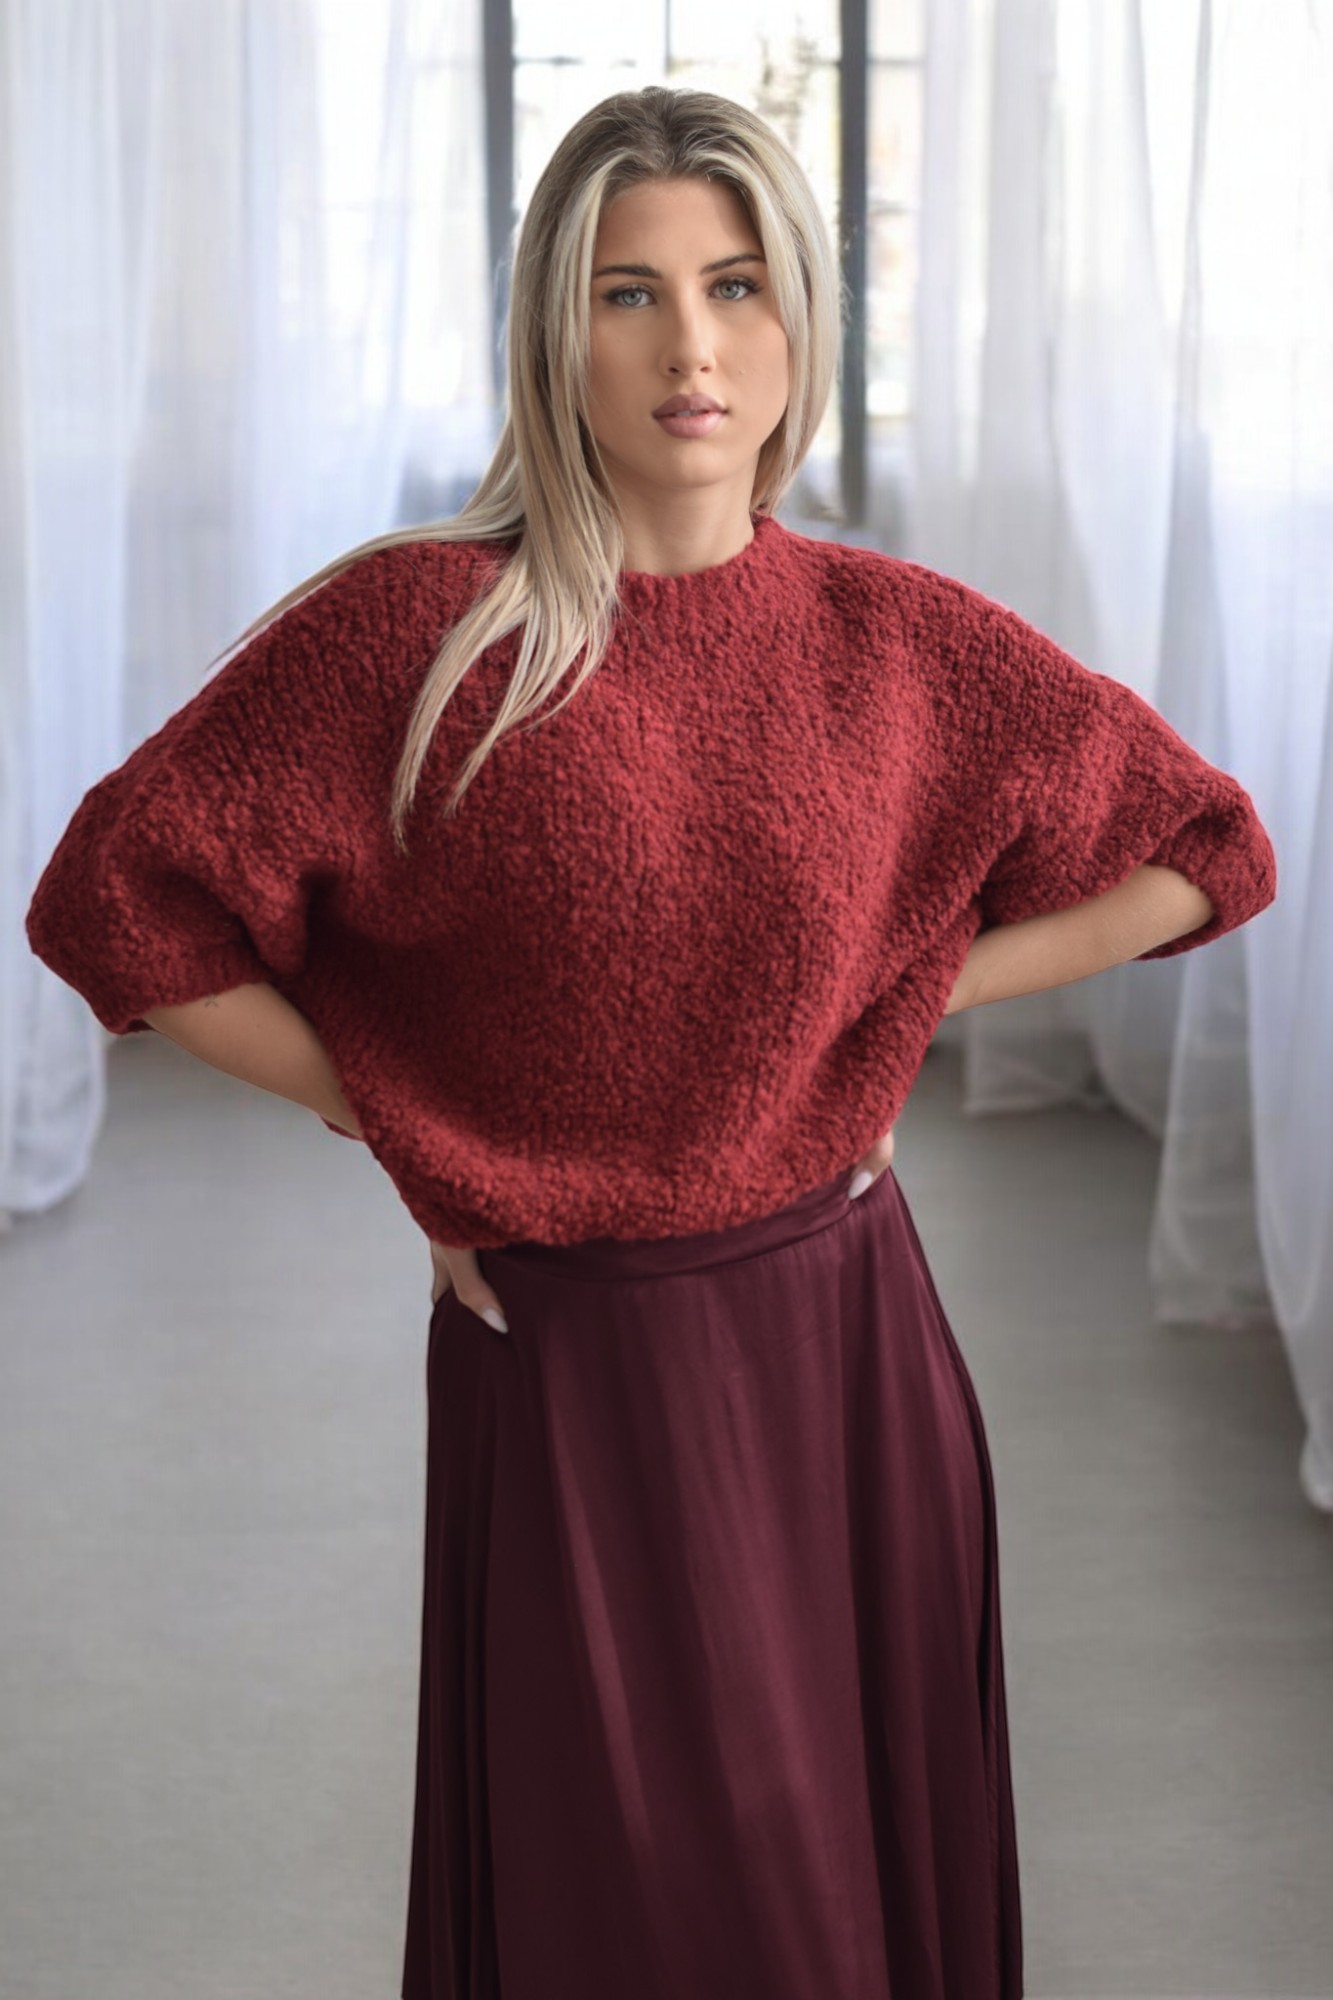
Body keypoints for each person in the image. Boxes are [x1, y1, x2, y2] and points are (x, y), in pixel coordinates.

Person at [24, 85, 1276, 2000]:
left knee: (835, 1899)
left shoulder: (901, 639)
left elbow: (1211, 851)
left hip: (840, 1336)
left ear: (799, 324)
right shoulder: (420, 631)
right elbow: (114, 906)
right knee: (641, 1904)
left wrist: (898, 997)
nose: (690, 344)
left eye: (736, 284)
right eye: (628, 291)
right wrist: (419, 1127)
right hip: (569, 1357)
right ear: (556, 330)